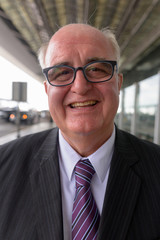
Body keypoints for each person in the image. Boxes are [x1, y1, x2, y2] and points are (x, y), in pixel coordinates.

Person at [0, 23, 160, 240]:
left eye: (96, 68)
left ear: (118, 83)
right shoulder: (4, 167)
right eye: (62, 72)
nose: (80, 86)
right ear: (47, 90)